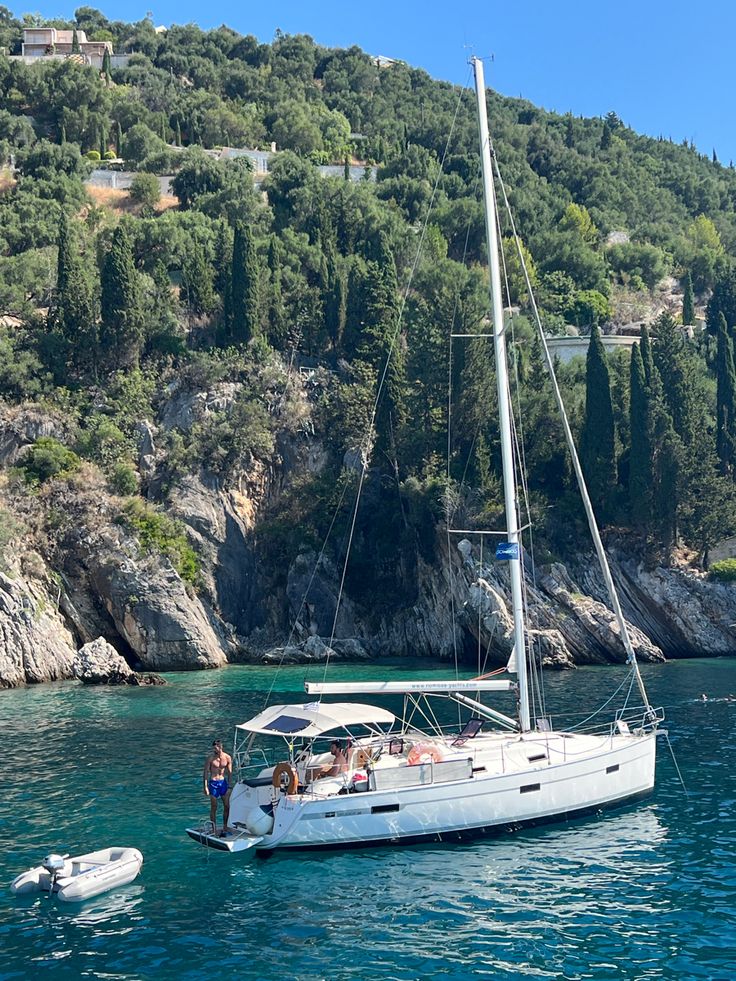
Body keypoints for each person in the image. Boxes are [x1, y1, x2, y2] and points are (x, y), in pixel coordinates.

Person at [203, 739, 232, 836]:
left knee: (227, 806)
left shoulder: (227, 757)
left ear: (221, 746)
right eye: (214, 748)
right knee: (214, 806)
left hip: (223, 783)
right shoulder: (210, 758)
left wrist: (229, 785)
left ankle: (225, 826)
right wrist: (205, 786)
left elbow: (230, 773)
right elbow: (206, 773)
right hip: (213, 783)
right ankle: (213, 828)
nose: (216, 749)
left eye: (217, 747)